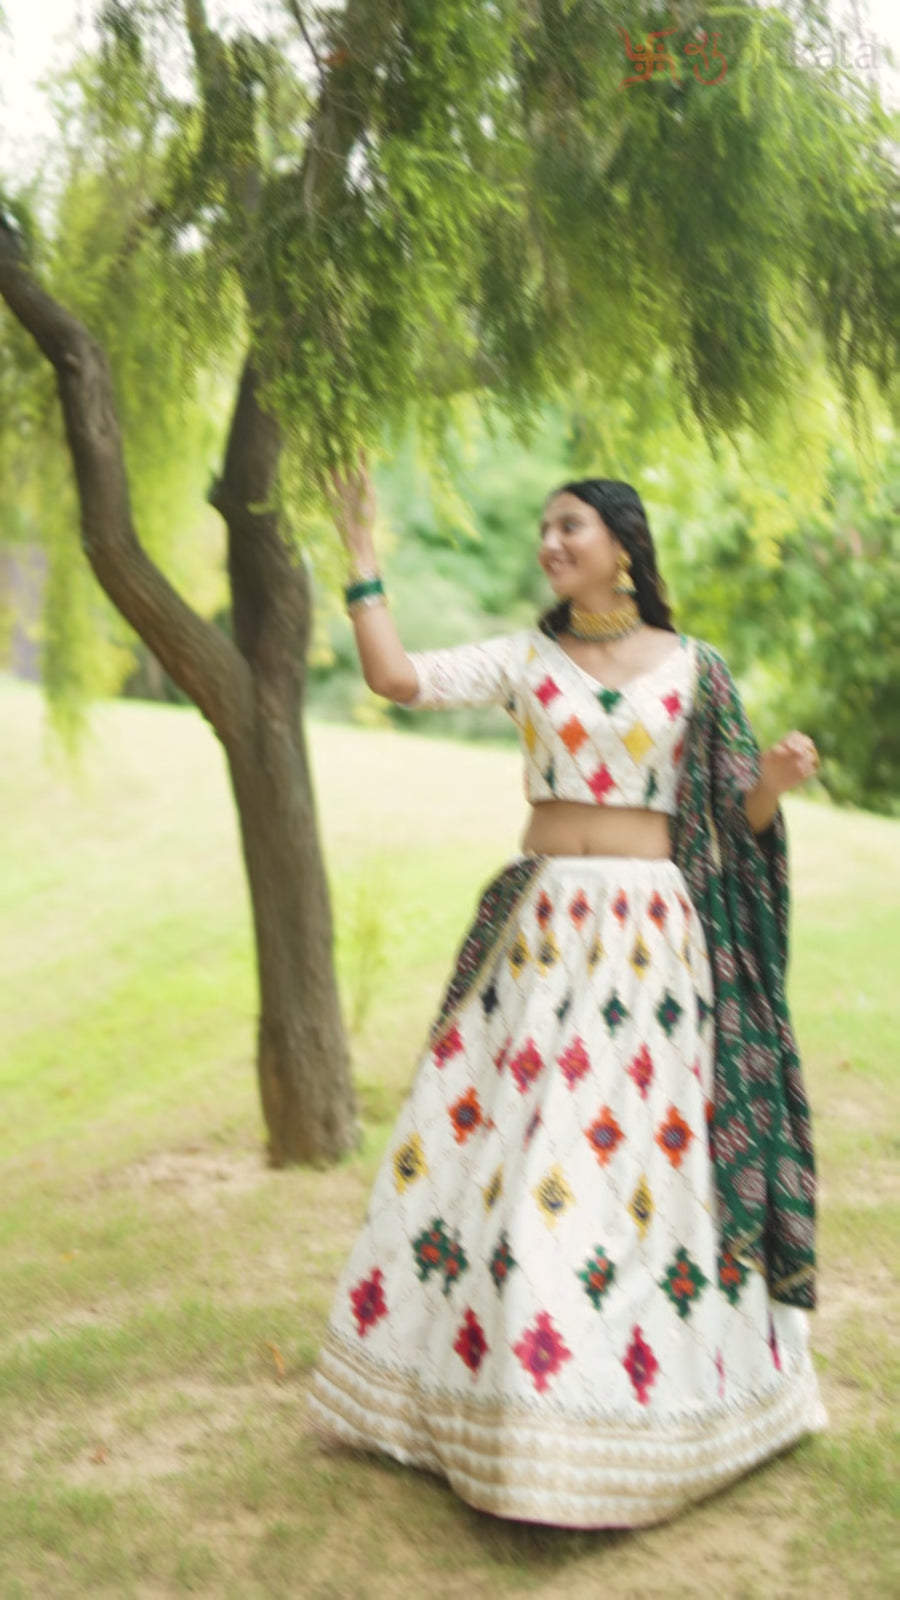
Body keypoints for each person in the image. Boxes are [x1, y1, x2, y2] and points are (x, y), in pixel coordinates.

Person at [307, 454, 829, 1529]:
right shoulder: (524, 656)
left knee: (637, 1172)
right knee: (523, 1161)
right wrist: (364, 564)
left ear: (622, 547)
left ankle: (652, 1410)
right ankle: (499, 1409)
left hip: (652, 949)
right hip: (544, 940)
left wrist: (769, 785)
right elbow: (398, 679)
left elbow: (734, 826)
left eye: (571, 525)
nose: (550, 542)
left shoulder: (696, 670)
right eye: (544, 526)